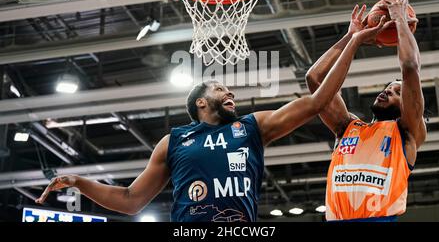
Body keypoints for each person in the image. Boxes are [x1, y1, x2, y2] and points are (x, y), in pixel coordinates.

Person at [35, 20, 387, 222]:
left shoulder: (251, 127)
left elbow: (317, 100)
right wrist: (81, 181)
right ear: (201, 102)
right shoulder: (173, 141)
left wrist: (351, 40)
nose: (229, 91)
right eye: (221, 88)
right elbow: (129, 199)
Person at [306, 0, 425, 222]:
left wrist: (400, 19)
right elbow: (314, 79)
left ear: (408, 105)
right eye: (389, 87)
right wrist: (352, 38)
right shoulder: (346, 126)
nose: (389, 90)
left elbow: (410, 66)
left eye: (398, 92)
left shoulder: (407, 132)